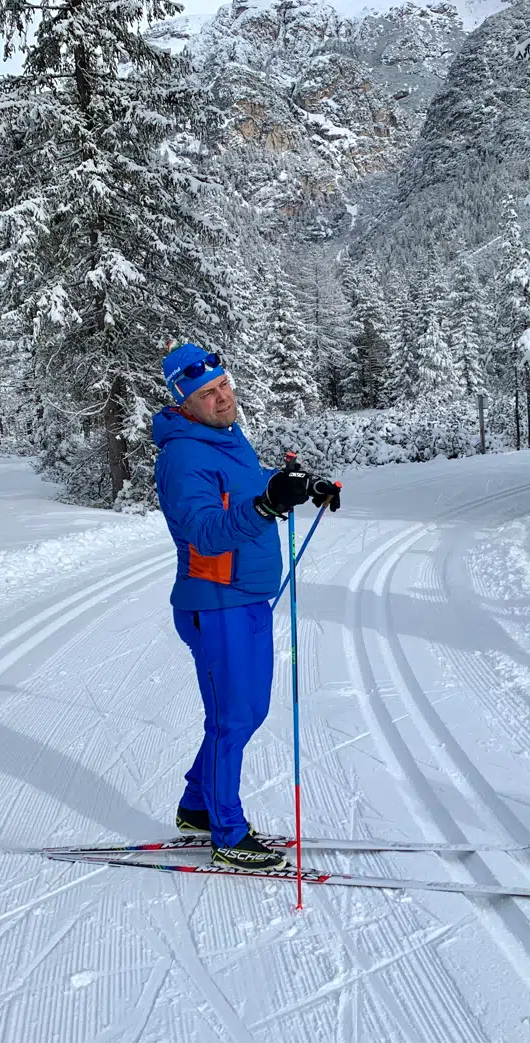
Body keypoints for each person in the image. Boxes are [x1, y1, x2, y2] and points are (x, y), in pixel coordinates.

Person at [152, 343, 341, 871]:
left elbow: (249, 488)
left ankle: (195, 806)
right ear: (184, 402)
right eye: (207, 393)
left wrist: (298, 487)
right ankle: (227, 832)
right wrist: (266, 505)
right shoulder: (183, 455)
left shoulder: (225, 437)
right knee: (234, 717)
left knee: (245, 712)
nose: (222, 398)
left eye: (224, 385)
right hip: (216, 604)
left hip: (245, 597)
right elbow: (203, 532)